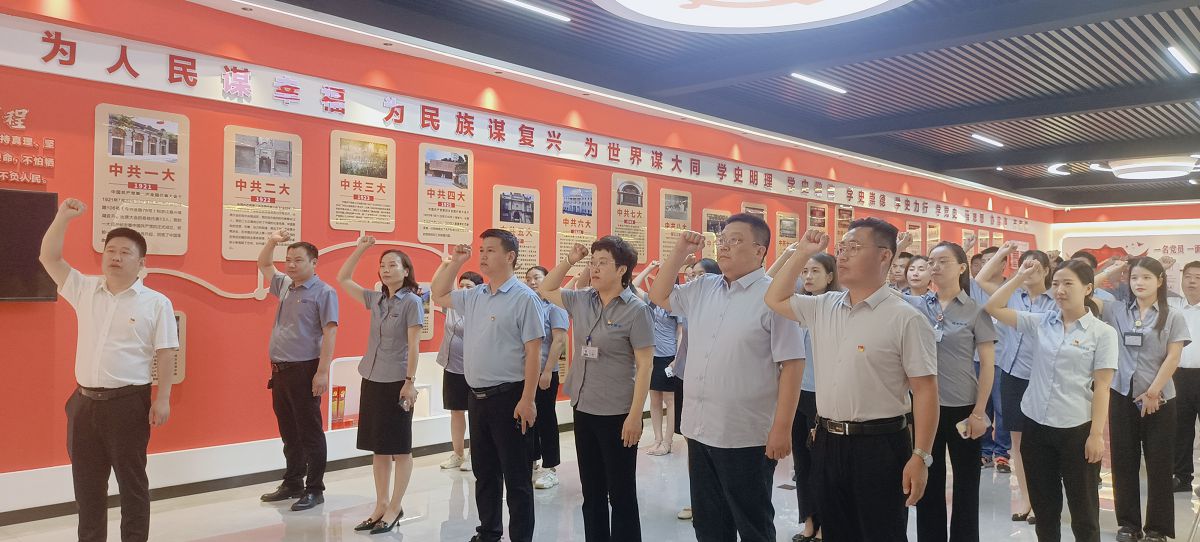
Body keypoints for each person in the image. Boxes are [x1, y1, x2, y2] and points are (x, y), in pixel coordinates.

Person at [765, 219, 938, 542]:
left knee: (881, 533)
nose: (842, 255)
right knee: (836, 531)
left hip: (880, 445)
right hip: (828, 441)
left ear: (884, 256)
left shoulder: (906, 318)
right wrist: (802, 252)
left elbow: (926, 391)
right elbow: (774, 297)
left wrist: (920, 456)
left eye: (854, 248)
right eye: (841, 248)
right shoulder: (824, 306)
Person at [651, 214, 805, 542]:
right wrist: (679, 252)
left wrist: (782, 428)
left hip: (746, 435)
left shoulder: (774, 296)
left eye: (735, 241)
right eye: (722, 240)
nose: (724, 247)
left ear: (760, 250)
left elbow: (792, 364)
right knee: (708, 524)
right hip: (699, 428)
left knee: (752, 524)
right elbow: (659, 296)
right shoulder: (703, 287)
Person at [39, 199, 179, 542]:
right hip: (83, 404)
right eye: (110, 250)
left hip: (128, 404)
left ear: (141, 263)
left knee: (132, 485)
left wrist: (162, 399)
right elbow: (49, 258)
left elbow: (166, 352)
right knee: (87, 487)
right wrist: (62, 218)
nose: (115, 257)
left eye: (125, 252)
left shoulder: (156, 303)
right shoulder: (85, 289)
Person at [984, 259, 1117, 542]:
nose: (1060, 290)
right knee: (1045, 509)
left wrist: (1096, 435)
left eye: (1068, 284)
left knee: (1083, 511)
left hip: (1076, 428)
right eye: (1055, 284)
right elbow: (993, 307)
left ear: (1088, 288)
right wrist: (1019, 277)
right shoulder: (1042, 322)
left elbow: (1103, 387)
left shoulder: (1102, 333)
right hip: (1036, 425)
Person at [431, 228, 545, 542]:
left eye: (490, 250)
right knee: (484, 473)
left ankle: (521, 537)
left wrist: (528, 399)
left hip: (510, 398)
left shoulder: (524, 298)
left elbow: (533, 351)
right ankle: (488, 532)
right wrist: (456, 262)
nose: (483, 255)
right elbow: (438, 293)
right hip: (477, 398)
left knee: (517, 478)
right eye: (481, 250)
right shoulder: (475, 295)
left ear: (510, 256)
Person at [540, 236, 654, 542]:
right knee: (591, 492)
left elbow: (645, 365)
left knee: (621, 494)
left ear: (622, 269)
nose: (595, 268)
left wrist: (635, 417)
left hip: (618, 413)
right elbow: (546, 289)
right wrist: (570, 260)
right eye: (593, 262)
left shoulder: (636, 310)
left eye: (603, 262)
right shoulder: (583, 300)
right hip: (584, 406)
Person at [901, 241, 996, 542]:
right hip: (924, 406)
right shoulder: (917, 305)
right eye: (932, 261)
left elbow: (988, 366)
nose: (936, 267)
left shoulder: (975, 311)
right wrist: (899, 247)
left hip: (963, 407)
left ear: (962, 267)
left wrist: (979, 411)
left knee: (967, 484)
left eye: (943, 261)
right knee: (928, 480)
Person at [336, 236, 424, 534]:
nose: (386, 270)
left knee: (400, 448)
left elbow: (414, 345)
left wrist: (410, 382)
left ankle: (396, 506)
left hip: (397, 382)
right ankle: (380, 505)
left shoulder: (412, 302)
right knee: (379, 448)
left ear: (406, 270)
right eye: (382, 265)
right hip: (372, 378)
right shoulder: (376, 299)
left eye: (392, 265)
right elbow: (343, 278)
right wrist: (361, 248)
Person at [1098, 257, 1188, 542]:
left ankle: (1158, 529)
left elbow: (1173, 357)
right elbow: (1086, 290)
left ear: (1160, 281)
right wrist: (1114, 269)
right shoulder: (1115, 310)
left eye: (1147, 277)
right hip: (1122, 394)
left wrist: (1153, 392)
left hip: (1159, 399)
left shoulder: (1172, 315)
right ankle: (1128, 524)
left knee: (1159, 465)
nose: (1139, 283)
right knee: (1123, 461)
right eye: (1134, 277)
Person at [257, 229, 339, 511]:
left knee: (310, 432)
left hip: (305, 370)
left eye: (298, 260)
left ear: (314, 262)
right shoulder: (285, 285)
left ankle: (315, 489)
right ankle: (293, 482)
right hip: (280, 371)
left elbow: (330, 333)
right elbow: (264, 264)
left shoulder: (324, 292)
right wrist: (272, 241)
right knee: (289, 431)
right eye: (289, 260)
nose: (291, 265)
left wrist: (323, 372)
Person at [975, 243, 1055, 522]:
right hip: (1012, 375)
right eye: (1025, 265)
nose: (1030, 270)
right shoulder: (1011, 295)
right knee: (1017, 444)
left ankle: (1046, 501)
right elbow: (981, 279)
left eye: (1036, 266)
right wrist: (1002, 255)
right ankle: (1027, 500)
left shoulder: (1056, 299)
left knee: (1043, 443)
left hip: (1044, 378)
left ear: (1047, 270)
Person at [769, 248, 839, 542]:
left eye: (815, 271)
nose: (808, 277)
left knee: (823, 464)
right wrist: (788, 258)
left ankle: (826, 525)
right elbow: (768, 288)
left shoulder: (835, 308)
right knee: (802, 463)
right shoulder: (795, 307)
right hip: (795, 394)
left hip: (823, 396)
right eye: (805, 271)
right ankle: (809, 521)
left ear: (830, 276)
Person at [674, 256, 719, 522]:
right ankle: (698, 499)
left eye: (699, 275)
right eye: (691, 275)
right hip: (686, 376)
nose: (693, 279)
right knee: (692, 443)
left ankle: (712, 500)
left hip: (712, 384)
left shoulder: (716, 306)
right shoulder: (690, 303)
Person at [524, 265, 569, 490]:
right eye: (528, 278)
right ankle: (531, 460)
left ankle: (551, 468)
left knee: (546, 420)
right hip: (525, 373)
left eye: (537, 277)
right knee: (527, 418)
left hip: (544, 372)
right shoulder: (528, 305)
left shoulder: (555, 305)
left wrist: (547, 371)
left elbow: (559, 341)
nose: (532, 282)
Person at [632, 260, 681, 456]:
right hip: (651, 356)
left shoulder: (675, 303)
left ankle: (668, 441)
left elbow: (681, 332)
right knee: (654, 399)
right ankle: (657, 439)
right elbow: (632, 286)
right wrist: (650, 268)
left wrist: (677, 358)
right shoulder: (650, 301)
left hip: (669, 356)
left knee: (670, 400)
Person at [437, 270, 483, 471]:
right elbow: (439, 286)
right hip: (452, 367)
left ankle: (475, 455)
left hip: (475, 369)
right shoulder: (451, 304)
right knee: (456, 411)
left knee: (475, 414)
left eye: (469, 287)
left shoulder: (481, 308)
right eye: (461, 285)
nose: (464, 289)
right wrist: (448, 265)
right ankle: (458, 453)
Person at [1175, 261, 1200, 496]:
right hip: (1178, 376)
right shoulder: (1173, 307)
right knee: (1180, 428)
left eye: (1198, 278)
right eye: (1188, 276)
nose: (1192, 281)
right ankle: (1182, 477)